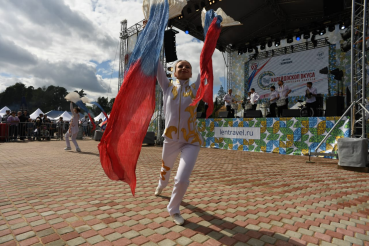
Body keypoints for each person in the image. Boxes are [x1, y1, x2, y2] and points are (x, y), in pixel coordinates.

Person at [154, 60, 203, 226]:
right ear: (173, 72)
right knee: (165, 170)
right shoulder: (167, 88)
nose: (184, 68)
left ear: (191, 73)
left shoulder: (195, 89)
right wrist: (139, 54)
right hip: (171, 139)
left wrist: (208, 45)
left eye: (188, 66)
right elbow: (157, 65)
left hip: (191, 141)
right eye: (180, 66)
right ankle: (161, 185)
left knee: (182, 179)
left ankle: (174, 209)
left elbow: (204, 67)